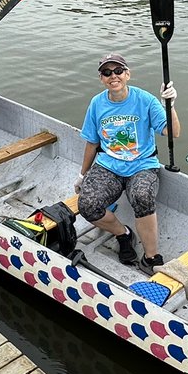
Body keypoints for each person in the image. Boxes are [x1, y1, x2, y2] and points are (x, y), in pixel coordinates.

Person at [75, 53, 179, 275]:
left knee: (142, 195)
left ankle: (151, 257)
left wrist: (169, 105)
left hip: (142, 164)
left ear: (127, 74)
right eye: (107, 72)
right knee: (87, 204)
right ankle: (123, 234)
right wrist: (82, 175)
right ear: (101, 78)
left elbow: (174, 132)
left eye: (118, 71)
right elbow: (92, 142)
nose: (113, 76)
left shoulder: (146, 100)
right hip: (109, 164)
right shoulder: (96, 103)